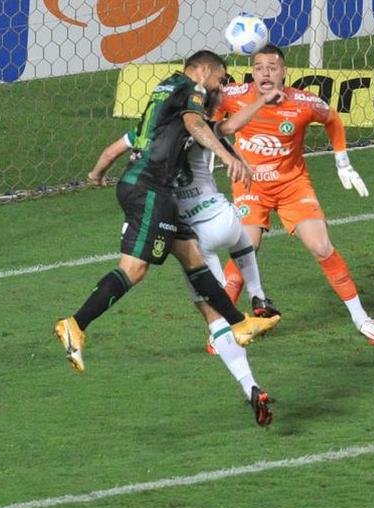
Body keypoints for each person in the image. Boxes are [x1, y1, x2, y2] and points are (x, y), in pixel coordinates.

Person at [54, 51, 281, 421]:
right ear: (205, 70)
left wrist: (96, 174)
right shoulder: (190, 91)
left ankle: (240, 322)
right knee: (134, 269)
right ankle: (75, 324)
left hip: (153, 193)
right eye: (221, 78)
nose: (220, 86)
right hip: (150, 190)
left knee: (192, 255)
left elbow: (120, 147)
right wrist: (228, 158)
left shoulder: (163, 98)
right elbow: (199, 123)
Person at [214, 44, 374, 346]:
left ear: (284, 72)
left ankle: (361, 318)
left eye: (272, 67)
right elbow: (213, 121)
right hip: (250, 185)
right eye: (259, 67)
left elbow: (333, 119)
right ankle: (218, 329)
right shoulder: (234, 95)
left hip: (293, 185)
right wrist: (221, 152)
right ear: (252, 71)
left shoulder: (303, 102)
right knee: (246, 249)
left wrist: (342, 162)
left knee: (321, 246)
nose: (265, 73)